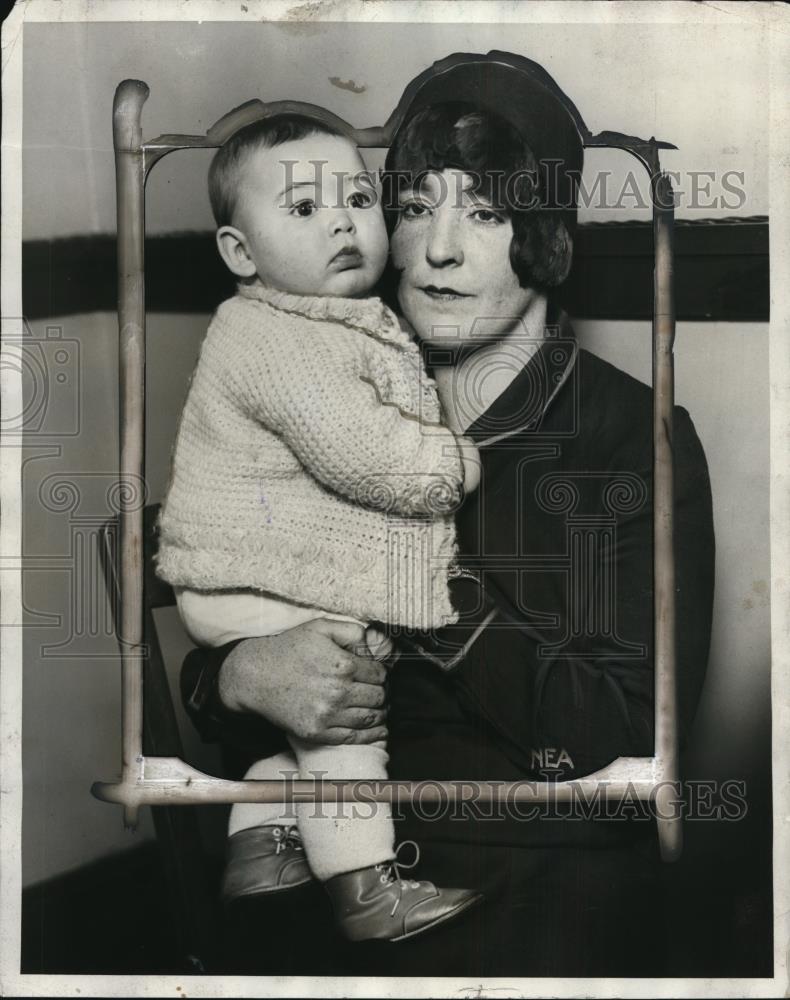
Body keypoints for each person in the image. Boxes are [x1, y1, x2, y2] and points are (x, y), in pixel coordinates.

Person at [179, 51, 715, 975]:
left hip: (540, 868)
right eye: (418, 207)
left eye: (488, 212)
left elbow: (627, 731)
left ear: (545, 234)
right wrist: (235, 679)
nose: (438, 250)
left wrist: (428, 587)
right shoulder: (326, 394)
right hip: (324, 853)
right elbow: (237, 626)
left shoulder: (630, 435)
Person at [155, 113, 483, 943]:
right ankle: (367, 892)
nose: (341, 221)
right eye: (303, 209)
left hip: (255, 575)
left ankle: (263, 842)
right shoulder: (275, 337)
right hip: (253, 582)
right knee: (345, 721)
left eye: (359, 200)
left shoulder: (318, 321)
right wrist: (453, 462)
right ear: (239, 253)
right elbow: (363, 453)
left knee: (310, 728)